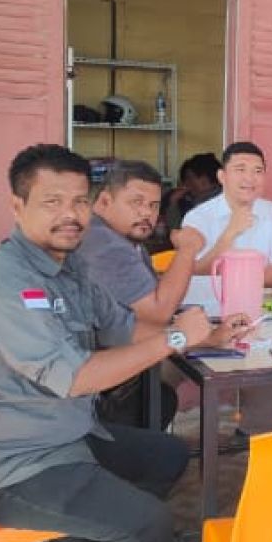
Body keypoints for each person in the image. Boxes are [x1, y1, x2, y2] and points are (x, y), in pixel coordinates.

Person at [0, 144, 253, 542]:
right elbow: (76, 377)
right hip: (15, 465)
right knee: (148, 526)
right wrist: (175, 338)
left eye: (78, 201)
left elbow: (122, 327)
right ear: (17, 206)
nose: (69, 214)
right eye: (52, 202)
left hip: (66, 431)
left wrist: (205, 338)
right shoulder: (7, 283)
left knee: (167, 455)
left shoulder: (68, 265)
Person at [181, 141, 272, 448]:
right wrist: (230, 233)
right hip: (204, 316)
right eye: (240, 169)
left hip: (258, 315)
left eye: (258, 171)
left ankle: (250, 435)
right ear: (222, 176)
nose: (250, 178)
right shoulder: (198, 217)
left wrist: (237, 275)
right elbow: (192, 269)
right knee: (168, 368)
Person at [78, 160, 207, 428]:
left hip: (104, 362)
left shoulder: (121, 239)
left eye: (153, 205)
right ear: (104, 201)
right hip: (91, 390)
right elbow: (158, 313)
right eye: (136, 202)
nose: (146, 213)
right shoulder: (105, 244)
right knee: (167, 390)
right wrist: (187, 250)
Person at [160, 152, 221, 237]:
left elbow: (179, 234)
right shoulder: (189, 200)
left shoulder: (216, 204)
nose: (186, 184)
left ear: (205, 180)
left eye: (190, 178)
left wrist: (173, 203)